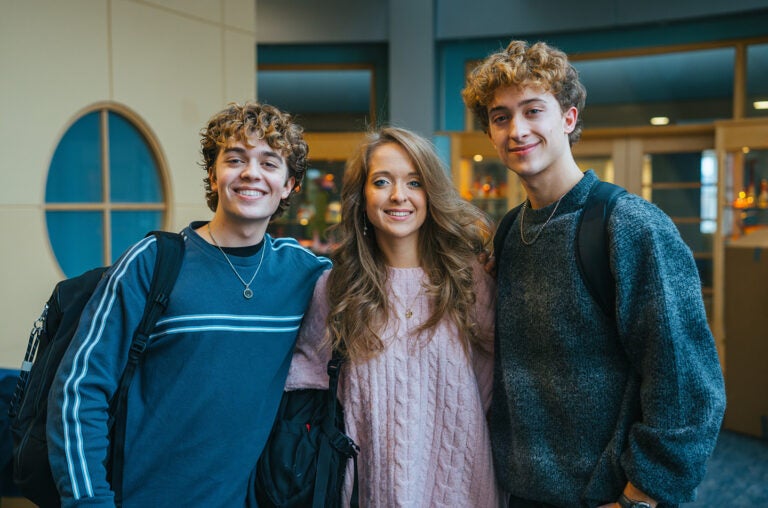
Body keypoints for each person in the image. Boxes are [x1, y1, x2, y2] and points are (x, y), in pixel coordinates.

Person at [461, 40, 726, 508]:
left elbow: (686, 386)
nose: (516, 130)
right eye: (501, 117)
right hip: (519, 493)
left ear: (568, 117)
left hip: (607, 497)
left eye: (532, 110)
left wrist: (640, 498)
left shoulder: (630, 225)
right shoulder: (509, 232)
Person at [46, 102, 332, 507]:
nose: (251, 173)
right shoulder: (152, 263)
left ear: (289, 185)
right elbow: (79, 390)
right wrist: (89, 501)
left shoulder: (306, 275)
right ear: (213, 176)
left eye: (270, 163)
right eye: (235, 159)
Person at [285, 127, 500, 507]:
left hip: (464, 487)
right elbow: (307, 387)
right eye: (382, 181)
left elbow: (492, 383)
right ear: (362, 196)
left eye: (414, 182)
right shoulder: (336, 288)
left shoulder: (468, 280)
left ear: (430, 193)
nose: (399, 196)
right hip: (374, 489)